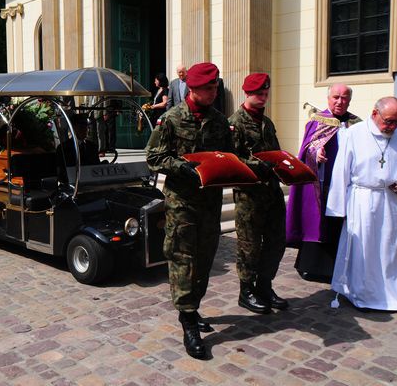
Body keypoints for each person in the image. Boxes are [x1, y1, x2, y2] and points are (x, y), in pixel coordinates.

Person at [146, 62, 231, 360]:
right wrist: (185, 167)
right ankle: (187, 320)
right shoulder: (171, 119)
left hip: (210, 202)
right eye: (209, 88)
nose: (214, 92)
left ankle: (193, 306)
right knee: (183, 258)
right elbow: (154, 157)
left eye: (215, 87)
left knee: (206, 257)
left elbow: (228, 155)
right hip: (182, 202)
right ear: (193, 88)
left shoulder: (220, 121)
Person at [327, 97, 397, 311]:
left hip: (391, 201)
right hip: (362, 199)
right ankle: (360, 294)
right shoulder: (355, 133)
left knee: (390, 249)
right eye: (388, 121)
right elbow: (341, 169)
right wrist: (338, 206)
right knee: (364, 249)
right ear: (374, 114)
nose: (392, 127)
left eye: (396, 121)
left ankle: (391, 297)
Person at [285, 84, 361, 283]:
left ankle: (339, 266)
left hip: (346, 185)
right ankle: (313, 266)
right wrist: (316, 152)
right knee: (318, 222)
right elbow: (307, 148)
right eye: (336, 97)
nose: (340, 101)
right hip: (322, 183)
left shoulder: (357, 124)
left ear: (349, 100)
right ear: (328, 98)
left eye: (344, 98)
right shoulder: (317, 121)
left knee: (339, 224)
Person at [229, 73, 288, 315]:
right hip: (249, 196)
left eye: (265, 94)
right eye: (258, 94)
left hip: (271, 192)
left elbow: (275, 152)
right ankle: (246, 291)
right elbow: (231, 159)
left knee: (276, 242)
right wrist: (257, 166)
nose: (263, 98)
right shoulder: (235, 123)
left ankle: (265, 286)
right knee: (249, 245)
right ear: (247, 94)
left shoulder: (267, 123)